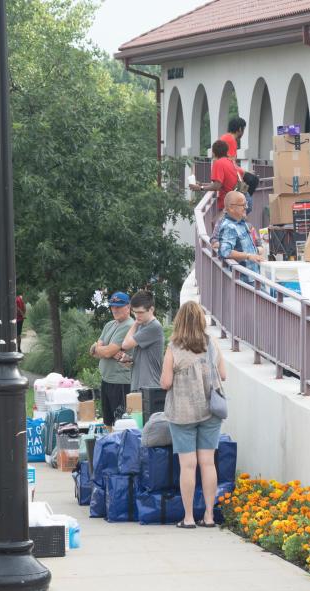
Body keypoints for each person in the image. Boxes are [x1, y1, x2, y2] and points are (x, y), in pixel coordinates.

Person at [160, 301, 224, 529]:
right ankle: (208, 516)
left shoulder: (173, 348)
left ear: (179, 321)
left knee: (188, 466)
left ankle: (188, 518)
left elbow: (166, 382)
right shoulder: (211, 344)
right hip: (211, 412)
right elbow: (223, 375)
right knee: (208, 464)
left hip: (183, 414)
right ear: (201, 321)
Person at [90, 292, 134, 426]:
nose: (114, 309)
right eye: (112, 306)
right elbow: (93, 351)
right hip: (107, 380)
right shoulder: (110, 324)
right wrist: (101, 349)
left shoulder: (128, 325)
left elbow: (107, 351)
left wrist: (101, 349)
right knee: (108, 422)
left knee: (120, 423)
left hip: (120, 382)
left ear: (128, 307)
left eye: (119, 306)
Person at [121, 290, 164, 392]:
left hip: (150, 386)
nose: (136, 316)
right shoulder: (143, 325)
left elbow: (125, 345)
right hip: (139, 385)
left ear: (151, 309)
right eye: (134, 312)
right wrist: (130, 359)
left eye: (140, 312)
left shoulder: (154, 326)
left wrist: (135, 323)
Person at [217, 191, 263, 282]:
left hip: (253, 278)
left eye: (246, 204)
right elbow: (225, 251)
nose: (246, 207)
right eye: (243, 205)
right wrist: (248, 256)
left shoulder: (242, 223)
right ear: (231, 208)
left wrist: (255, 252)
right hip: (244, 283)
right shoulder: (229, 226)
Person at [189, 140, 240, 212]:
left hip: (228, 205)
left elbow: (217, 186)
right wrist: (202, 184)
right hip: (234, 201)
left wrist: (200, 188)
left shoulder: (219, 163)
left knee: (216, 222)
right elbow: (222, 183)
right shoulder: (228, 161)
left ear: (214, 152)